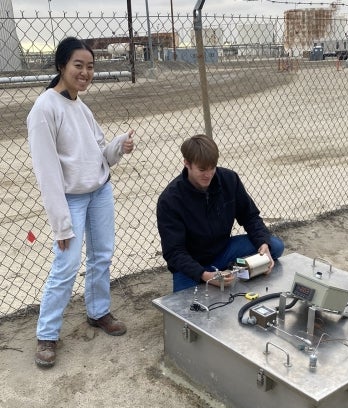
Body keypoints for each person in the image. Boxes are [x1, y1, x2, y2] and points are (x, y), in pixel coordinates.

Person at [27, 37, 135, 368]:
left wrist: (118, 145)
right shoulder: (45, 109)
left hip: (99, 192)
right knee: (66, 265)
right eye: (79, 65)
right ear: (62, 65)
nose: (85, 72)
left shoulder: (81, 107)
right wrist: (60, 222)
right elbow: (47, 174)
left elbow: (99, 154)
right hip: (71, 200)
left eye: (90, 66)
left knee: (101, 255)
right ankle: (47, 334)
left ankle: (98, 311)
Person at [156, 134, 284, 292]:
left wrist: (263, 244)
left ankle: (229, 267)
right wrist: (204, 275)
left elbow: (250, 217)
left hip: (224, 249)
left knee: (275, 246)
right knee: (184, 300)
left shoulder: (229, 179)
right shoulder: (170, 200)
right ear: (187, 164)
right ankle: (218, 273)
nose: (208, 175)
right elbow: (174, 252)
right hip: (193, 262)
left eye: (212, 168)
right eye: (202, 169)